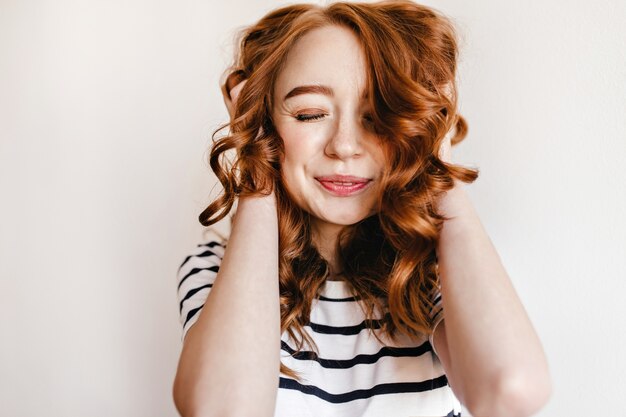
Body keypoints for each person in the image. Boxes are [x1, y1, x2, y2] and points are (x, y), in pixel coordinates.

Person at [173, 1, 552, 416]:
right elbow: (220, 409)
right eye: (310, 114)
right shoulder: (216, 266)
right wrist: (255, 163)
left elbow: (510, 391)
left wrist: (434, 159)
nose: (344, 146)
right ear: (266, 123)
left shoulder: (441, 268)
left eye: (378, 117)